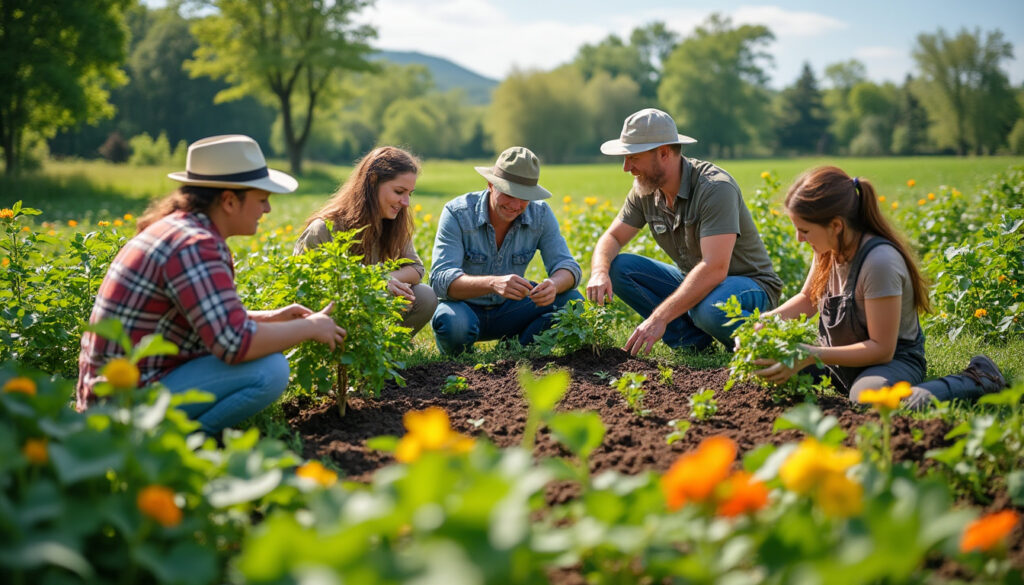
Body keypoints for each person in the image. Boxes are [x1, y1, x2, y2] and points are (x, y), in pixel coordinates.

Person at [77, 135, 346, 433]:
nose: (267, 209)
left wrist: (272, 317)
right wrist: (310, 328)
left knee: (267, 361)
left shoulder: (183, 231)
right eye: (261, 199)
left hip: (119, 391)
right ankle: (169, 448)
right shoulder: (196, 245)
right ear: (229, 200)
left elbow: (208, 321)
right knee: (269, 370)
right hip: (121, 407)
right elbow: (234, 344)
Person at [751, 166, 1008, 408]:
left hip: (892, 361)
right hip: (838, 361)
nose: (799, 238)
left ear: (836, 225)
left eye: (804, 230)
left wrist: (811, 354)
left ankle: (977, 380)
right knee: (769, 364)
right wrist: (763, 325)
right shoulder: (829, 248)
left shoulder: (878, 262)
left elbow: (881, 349)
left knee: (869, 399)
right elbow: (808, 299)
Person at [587, 108, 783, 355]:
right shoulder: (645, 190)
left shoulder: (714, 188)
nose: (626, 168)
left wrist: (659, 317)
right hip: (696, 280)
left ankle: (766, 346)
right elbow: (613, 237)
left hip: (749, 285)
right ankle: (694, 343)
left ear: (664, 153)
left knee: (710, 309)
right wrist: (599, 272)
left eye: (634, 157)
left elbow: (715, 268)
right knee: (617, 268)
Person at [430, 146, 584, 355]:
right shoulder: (457, 213)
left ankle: (516, 350)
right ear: (490, 185)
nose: (515, 204)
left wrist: (554, 285)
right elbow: (440, 280)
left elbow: (568, 267)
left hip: (512, 309)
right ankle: (460, 356)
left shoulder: (540, 214)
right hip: (464, 309)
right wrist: (492, 283)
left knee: (573, 302)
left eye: (524, 196)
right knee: (452, 324)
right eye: (509, 193)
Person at [293, 146, 437, 335]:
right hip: (328, 317)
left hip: (369, 311)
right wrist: (372, 283)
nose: (406, 203)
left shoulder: (394, 223)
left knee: (425, 296)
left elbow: (416, 269)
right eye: (399, 191)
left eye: (409, 194)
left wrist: (385, 279)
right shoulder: (325, 229)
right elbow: (305, 291)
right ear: (373, 180)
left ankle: (383, 355)